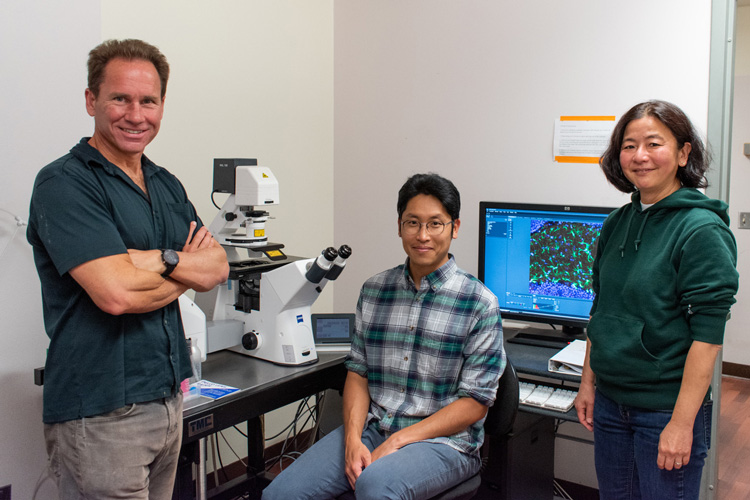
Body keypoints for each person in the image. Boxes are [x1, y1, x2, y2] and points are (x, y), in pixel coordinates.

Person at [27, 39, 229, 500]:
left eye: (148, 101)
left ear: (161, 106)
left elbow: (216, 266)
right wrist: (180, 266)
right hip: (100, 414)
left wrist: (155, 260)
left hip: (167, 400)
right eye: (120, 98)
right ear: (91, 100)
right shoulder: (64, 184)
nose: (135, 115)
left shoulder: (165, 184)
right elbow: (115, 294)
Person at [262, 173, 505, 500]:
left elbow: (475, 404)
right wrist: (352, 441)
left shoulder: (478, 303)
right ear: (399, 225)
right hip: (374, 429)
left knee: (375, 486)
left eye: (435, 224)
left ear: (455, 228)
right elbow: (358, 374)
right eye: (412, 223)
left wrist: (400, 440)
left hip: (445, 444)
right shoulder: (375, 290)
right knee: (281, 494)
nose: (423, 235)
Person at [574, 100, 739, 500]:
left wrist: (682, 424)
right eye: (629, 146)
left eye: (653, 143)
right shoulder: (617, 222)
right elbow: (602, 308)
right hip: (611, 404)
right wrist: (588, 382)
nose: (640, 156)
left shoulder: (700, 230)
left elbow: (708, 337)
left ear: (683, 153)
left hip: (665, 410)